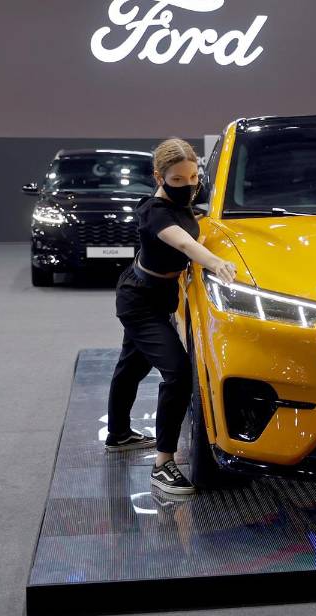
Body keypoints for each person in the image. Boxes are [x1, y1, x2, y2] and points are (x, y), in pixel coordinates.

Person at [104, 138, 237, 495]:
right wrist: (215, 263)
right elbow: (183, 244)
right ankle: (163, 464)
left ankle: (117, 434)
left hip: (161, 295)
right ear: (159, 177)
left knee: (131, 365)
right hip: (138, 299)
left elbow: (196, 225)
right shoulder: (153, 210)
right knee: (177, 374)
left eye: (193, 177)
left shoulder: (187, 207)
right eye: (177, 180)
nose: (188, 185)